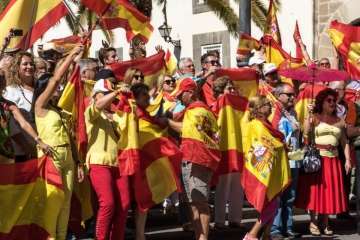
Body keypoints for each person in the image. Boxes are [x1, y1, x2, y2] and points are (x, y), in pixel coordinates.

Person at [33, 45, 84, 240]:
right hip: (50, 158)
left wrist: (78, 162)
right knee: (53, 201)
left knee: (66, 203)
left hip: (68, 158)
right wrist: (71, 55)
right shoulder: (39, 107)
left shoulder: (58, 110)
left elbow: (70, 137)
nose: (57, 89)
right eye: (52, 88)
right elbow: (56, 79)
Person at [168, 78, 220, 240]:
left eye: (181, 94)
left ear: (190, 93)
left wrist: (166, 121)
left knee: (200, 201)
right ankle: (199, 236)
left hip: (198, 160)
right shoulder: (192, 109)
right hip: (190, 158)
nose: (178, 98)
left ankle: (203, 238)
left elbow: (185, 129)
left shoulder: (198, 111)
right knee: (193, 202)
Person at [296, 88, 352, 236]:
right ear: (321, 102)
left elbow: (344, 141)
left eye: (334, 100)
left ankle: (325, 222)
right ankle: (314, 222)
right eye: (329, 100)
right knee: (316, 192)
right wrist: (308, 116)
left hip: (333, 160)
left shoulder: (340, 121)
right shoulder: (314, 117)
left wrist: (347, 159)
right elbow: (306, 134)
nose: (333, 103)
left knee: (329, 192)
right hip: (317, 160)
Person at [85, 79, 130, 240]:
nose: (109, 98)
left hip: (119, 165)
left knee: (124, 206)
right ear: (95, 96)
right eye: (104, 94)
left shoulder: (115, 115)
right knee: (108, 204)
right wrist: (117, 92)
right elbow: (98, 106)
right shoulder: (90, 111)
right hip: (98, 163)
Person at [242, 95, 290, 240]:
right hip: (261, 172)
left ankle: (266, 235)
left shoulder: (266, 125)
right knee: (271, 206)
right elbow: (262, 145)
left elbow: (272, 143)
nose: (271, 107)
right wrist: (280, 145)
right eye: (268, 104)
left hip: (271, 171)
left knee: (273, 204)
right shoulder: (254, 125)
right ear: (260, 109)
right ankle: (252, 235)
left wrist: (282, 146)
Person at [212, 76, 244, 230]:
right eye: (228, 89)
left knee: (237, 186)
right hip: (223, 149)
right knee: (223, 186)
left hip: (238, 149)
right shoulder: (217, 104)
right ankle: (219, 221)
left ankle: (235, 219)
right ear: (220, 91)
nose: (232, 91)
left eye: (233, 88)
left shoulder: (238, 105)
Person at [271, 84, 302, 239]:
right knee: (278, 196)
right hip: (280, 160)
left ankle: (288, 227)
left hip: (294, 159)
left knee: (290, 196)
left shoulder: (293, 113)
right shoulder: (274, 112)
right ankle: (275, 229)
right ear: (278, 95)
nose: (292, 97)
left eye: (293, 94)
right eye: (288, 94)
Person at [0, 69, 50, 163]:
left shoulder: (9, 105)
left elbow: (24, 123)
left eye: (2, 78)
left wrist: (39, 141)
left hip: (6, 151)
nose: (1, 81)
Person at [4, 51, 37, 162]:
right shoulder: (11, 90)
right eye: (25, 64)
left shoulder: (40, 88)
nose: (29, 67)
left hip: (42, 139)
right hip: (21, 145)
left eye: (31, 64)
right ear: (17, 67)